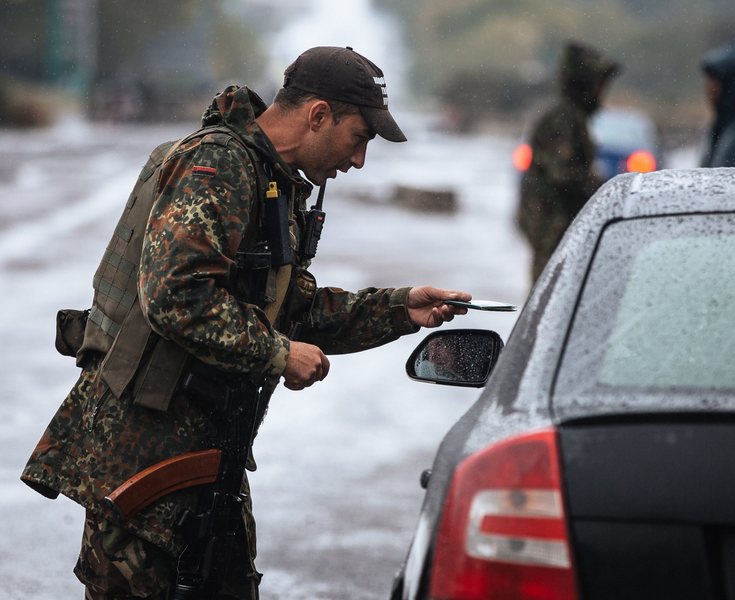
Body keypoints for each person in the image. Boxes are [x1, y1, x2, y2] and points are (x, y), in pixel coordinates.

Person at [20, 46, 471, 599]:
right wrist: (279, 355)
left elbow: (292, 308)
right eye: (360, 137)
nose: (359, 161)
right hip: (143, 466)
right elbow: (174, 295)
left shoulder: (268, 180)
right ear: (319, 115)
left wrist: (401, 309)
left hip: (199, 462)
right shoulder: (219, 165)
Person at [517, 41, 619, 283]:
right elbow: (563, 176)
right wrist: (606, 191)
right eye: (600, 84)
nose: (603, 91)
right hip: (553, 232)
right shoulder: (563, 120)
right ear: (586, 84)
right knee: (549, 304)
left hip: (559, 232)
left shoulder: (571, 117)